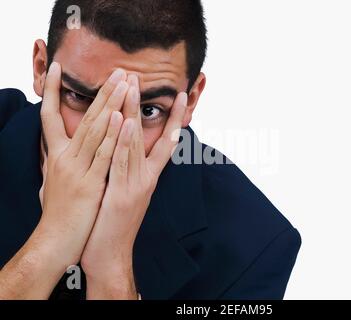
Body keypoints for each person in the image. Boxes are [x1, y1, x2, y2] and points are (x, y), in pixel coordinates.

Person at [0, 0, 301, 300]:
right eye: (80, 97)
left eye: (147, 111)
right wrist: (50, 243)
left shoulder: (255, 245)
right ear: (41, 69)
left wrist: (112, 269)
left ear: (191, 99)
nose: (110, 137)